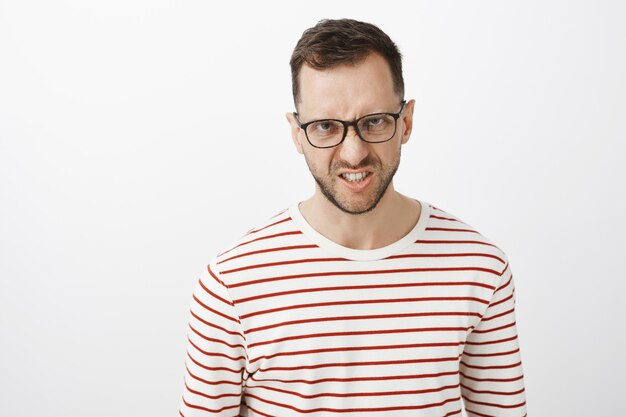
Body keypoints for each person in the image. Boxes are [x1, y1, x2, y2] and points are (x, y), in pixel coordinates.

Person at [178, 18, 527, 417]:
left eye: (374, 121)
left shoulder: (480, 267)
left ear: (406, 121)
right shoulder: (231, 284)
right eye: (326, 126)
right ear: (296, 133)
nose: (353, 153)